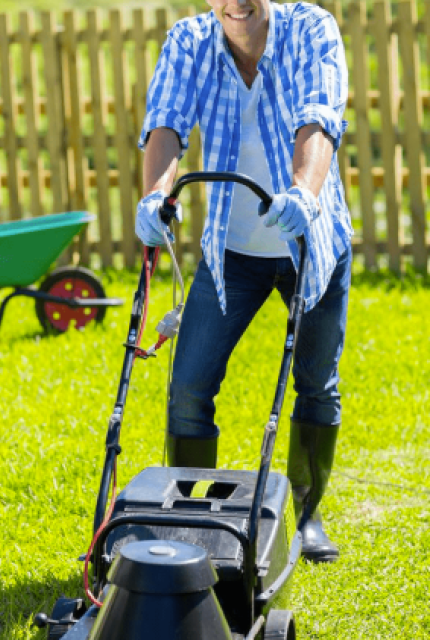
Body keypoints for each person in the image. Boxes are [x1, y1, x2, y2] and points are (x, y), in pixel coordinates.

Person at [135, 0, 352, 563]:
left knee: (314, 381)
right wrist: (157, 195)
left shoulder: (310, 29)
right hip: (231, 250)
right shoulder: (190, 41)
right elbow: (166, 122)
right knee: (188, 389)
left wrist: (304, 192)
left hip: (310, 237)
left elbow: (319, 118)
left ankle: (305, 518)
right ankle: (187, 521)